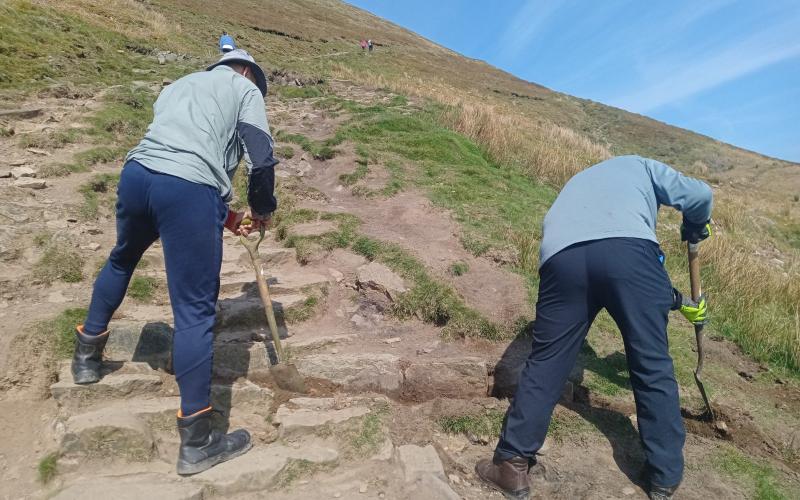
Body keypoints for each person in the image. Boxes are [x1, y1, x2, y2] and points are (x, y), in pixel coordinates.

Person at [70, 48, 277, 476]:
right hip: (186, 189)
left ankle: (86, 360)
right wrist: (262, 207)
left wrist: (228, 216)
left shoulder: (180, 85)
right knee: (195, 310)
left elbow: (180, 153)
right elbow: (261, 155)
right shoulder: (245, 88)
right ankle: (197, 442)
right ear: (246, 71)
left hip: (137, 176)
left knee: (123, 258)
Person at [475, 155, 712, 500]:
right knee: (651, 365)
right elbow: (700, 196)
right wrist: (694, 224)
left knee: (546, 363)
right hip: (631, 253)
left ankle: (510, 464)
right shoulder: (642, 165)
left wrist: (675, 300)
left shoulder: (577, 181)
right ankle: (664, 476)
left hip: (562, 259)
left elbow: (595, 251)